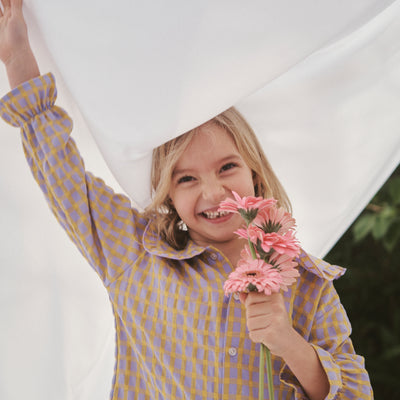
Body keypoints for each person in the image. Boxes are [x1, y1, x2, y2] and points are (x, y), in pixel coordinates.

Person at [0, 1, 373, 399]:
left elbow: (356, 394)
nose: (212, 192)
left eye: (227, 167)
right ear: (169, 197)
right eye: (187, 179)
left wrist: (287, 341)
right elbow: (63, 178)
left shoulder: (309, 285)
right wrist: (19, 60)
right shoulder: (135, 257)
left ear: (256, 176)